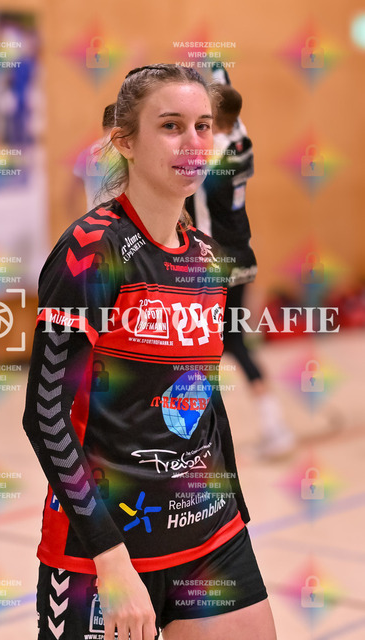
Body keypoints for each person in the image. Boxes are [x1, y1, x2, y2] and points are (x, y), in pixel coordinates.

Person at [23, 64, 277, 640]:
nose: (193, 142)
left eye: (202, 126)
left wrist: (234, 508)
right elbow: (45, 416)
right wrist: (111, 559)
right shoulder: (90, 252)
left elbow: (203, 398)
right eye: (170, 125)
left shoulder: (207, 259)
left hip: (210, 538)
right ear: (126, 142)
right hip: (102, 549)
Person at [186, 78, 295, 460]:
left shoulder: (206, 158)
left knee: (197, 350)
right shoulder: (242, 142)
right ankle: (274, 425)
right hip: (242, 259)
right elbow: (225, 93)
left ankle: (196, 443)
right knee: (231, 343)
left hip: (212, 263)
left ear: (213, 120)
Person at [66, 103, 117, 219]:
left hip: (95, 221)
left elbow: (71, 193)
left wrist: (77, 219)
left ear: (104, 126)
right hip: (121, 222)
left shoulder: (88, 151)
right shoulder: (127, 151)